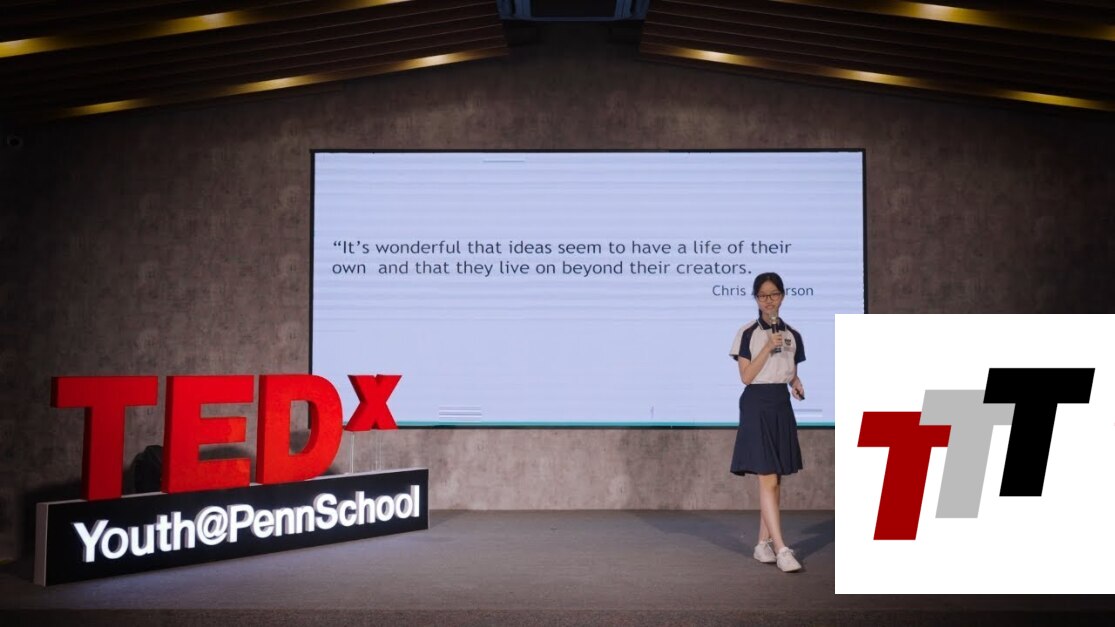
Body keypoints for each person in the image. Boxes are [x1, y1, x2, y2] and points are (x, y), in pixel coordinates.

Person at [728, 272, 805, 573]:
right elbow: (747, 376)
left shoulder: (793, 334)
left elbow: (789, 370)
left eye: (773, 294)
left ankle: (762, 544)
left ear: (782, 296)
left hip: (780, 404)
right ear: (756, 299)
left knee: (776, 479)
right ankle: (781, 548)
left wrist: (795, 383)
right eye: (762, 295)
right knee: (767, 478)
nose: (768, 300)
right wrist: (766, 347)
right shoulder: (748, 333)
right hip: (756, 405)